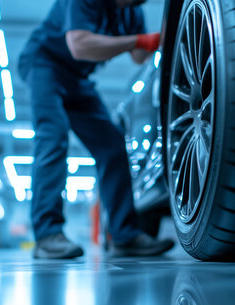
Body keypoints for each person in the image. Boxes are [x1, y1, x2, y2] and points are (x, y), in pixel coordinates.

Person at [19, 0, 174, 259]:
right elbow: (79, 46)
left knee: (112, 146)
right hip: (45, 63)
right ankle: (47, 235)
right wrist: (138, 40)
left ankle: (124, 236)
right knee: (52, 137)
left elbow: (138, 57)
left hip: (77, 78)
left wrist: (160, 36)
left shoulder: (132, 12)